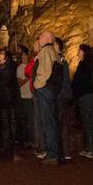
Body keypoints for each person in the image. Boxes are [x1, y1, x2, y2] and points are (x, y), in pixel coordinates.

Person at [32, 32, 63, 165]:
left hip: (45, 90)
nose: (39, 38)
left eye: (40, 37)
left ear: (47, 39)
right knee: (51, 121)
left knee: (48, 122)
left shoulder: (45, 51)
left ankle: (53, 154)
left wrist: (36, 85)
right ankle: (56, 153)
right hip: (51, 90)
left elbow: (44, 72)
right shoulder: (52, 51)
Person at [73, 43, 93, 159]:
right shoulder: (82, 64)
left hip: (87, 95)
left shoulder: (87, 64)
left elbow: (84, 81)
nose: (78, 53)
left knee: (91, 121)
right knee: (87, 122)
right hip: (83, 96)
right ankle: (90, 147)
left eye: (79, 51)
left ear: (84, 52)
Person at [0, 44, 18, 155]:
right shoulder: (2, 66)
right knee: (2, 121)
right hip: (1, 98)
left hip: (5, 98)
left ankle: (6, 144)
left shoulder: (7, 66)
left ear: (3, 55)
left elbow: (4, 82)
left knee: (5, 121)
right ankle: (4, 142)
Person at [16, 45, 36, 149]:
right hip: (24, 97)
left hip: (30, 96)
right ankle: (27, 139)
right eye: (23, 57)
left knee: (31, 120)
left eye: (26, 57)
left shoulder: (30, 66)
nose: (24, 58)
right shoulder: (20, 68)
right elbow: (19, 83)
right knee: (26, 119)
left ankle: (32, 139)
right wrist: (28, 78)